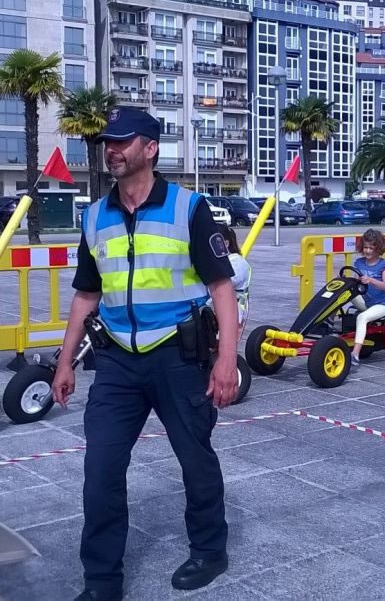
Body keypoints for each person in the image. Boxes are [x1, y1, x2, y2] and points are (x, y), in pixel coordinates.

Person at [52, 108, 239, 601]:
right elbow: (86, 294)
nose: (111, 150)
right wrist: (65, 361)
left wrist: (226, 361)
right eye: (107, 143)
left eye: (122, 141)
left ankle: (209, 550)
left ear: (150, 148)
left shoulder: (188, 208)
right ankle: (101, 582)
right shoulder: (94, 217)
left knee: (195, 460)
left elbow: (221, 286)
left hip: (179, 358)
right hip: (116, 362)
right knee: (101, 472)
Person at [350, 229, 385, 366]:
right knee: (343, 294)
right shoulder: (359, 263)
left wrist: (371, 280)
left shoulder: (384, 265)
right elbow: (355, 283)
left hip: (382, 305)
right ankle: (328, 324)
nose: (367, 251)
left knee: (361, 318)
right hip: (365, 302)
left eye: (371, 248)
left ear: (378, 248)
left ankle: (355, 354)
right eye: (365, 247)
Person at [218, 224, 251, 337]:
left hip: (232, 312)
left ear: (226, 244)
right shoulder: (224, 262)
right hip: (222, 311)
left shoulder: (236, 263)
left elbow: (222, 284)